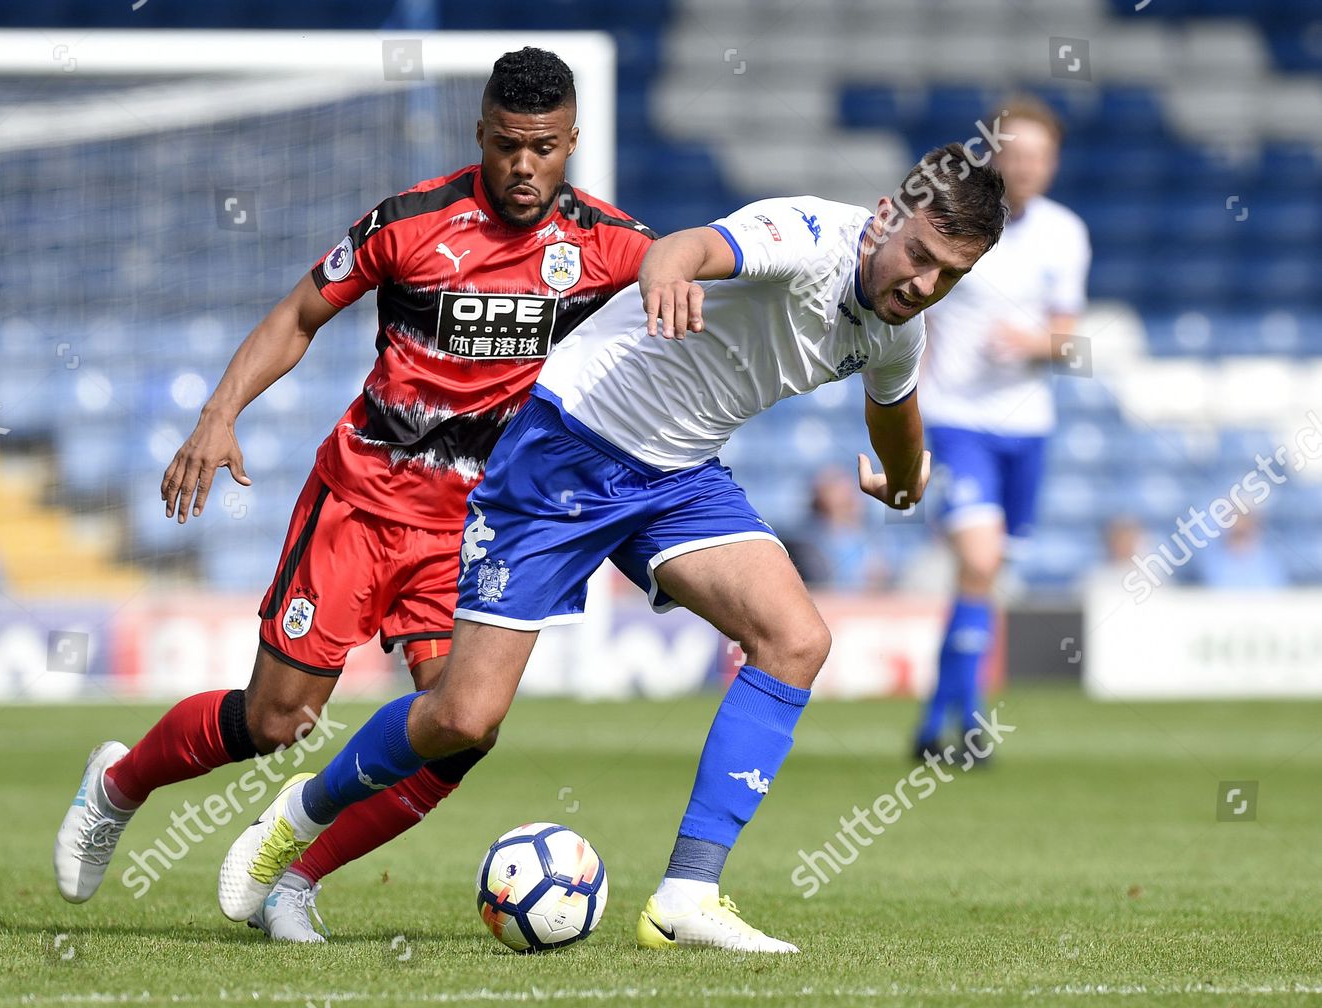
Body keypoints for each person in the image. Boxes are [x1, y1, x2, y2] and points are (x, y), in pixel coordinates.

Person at [218, 143, 1007, 952]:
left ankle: (686, 896)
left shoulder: (897, 332)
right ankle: (296, 819)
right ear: (886, 217)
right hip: (567, 446)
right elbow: (692, 247)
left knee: (797, 640)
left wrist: (907, 485)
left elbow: (896, 419)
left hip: (676, 477)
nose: (923, 286)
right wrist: (666, 274)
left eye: (949, 276)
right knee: (463, 716)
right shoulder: (806, 236)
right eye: (919, 257)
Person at [53, 47, 655, 943]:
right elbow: (300, 315)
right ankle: (118, 785)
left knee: (465, 726)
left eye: (546, 148)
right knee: (278, 719)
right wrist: (219, 415)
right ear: (480, 134)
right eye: (507, 145)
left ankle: (295, 878)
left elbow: (700, 294)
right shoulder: (410, 222)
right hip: (360, 505)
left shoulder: (608, 246)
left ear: (573, 142)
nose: (524, 167)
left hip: (472, 531)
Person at [909, 96, 1090, 761]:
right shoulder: (959, 220)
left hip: (1028, 430)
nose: (1027, 165)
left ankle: (935, 726)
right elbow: (914, 311)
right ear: (994, 155)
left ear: (1053, 163)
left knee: (985, 576)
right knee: (980, 562)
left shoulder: (1066, 234)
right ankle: (973, 725)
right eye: (1014, 152)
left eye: (1039, 155)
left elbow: (1073, 343)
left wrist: (1040, 343)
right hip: (957, 420)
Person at [790, 466, 896, 590]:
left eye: (851, 490)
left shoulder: (875, 539)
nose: (849, 495)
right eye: (838, 489)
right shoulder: (809, 545)